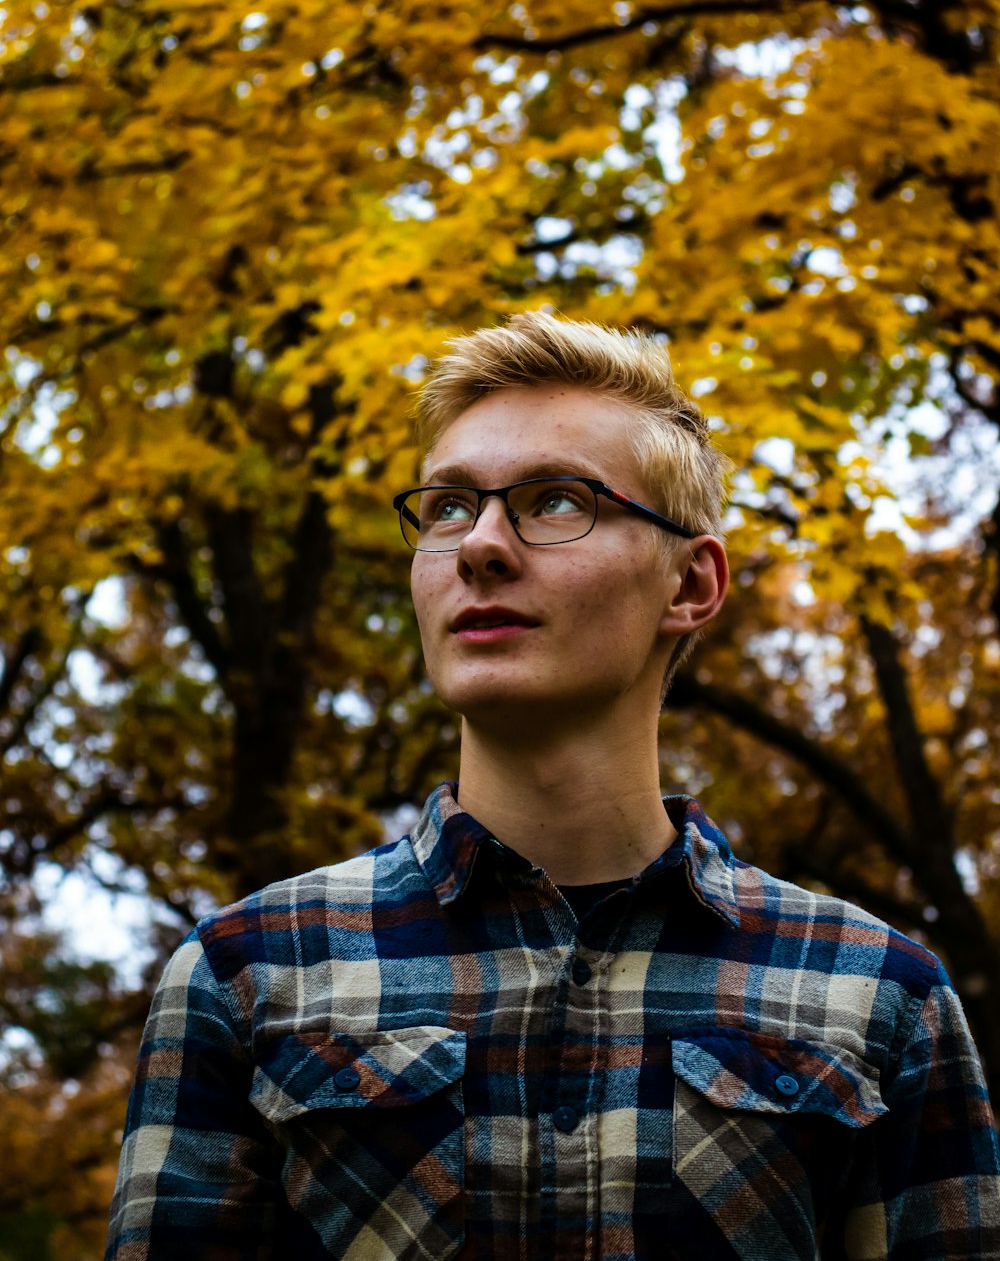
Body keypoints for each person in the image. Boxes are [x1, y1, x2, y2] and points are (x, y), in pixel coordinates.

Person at [106, 312, 1000, 1260]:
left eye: (555, 501)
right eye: (448, 507)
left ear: (690, 584)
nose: (480, 546)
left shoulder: (879, 997)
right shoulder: (248, 977)